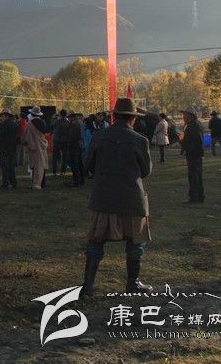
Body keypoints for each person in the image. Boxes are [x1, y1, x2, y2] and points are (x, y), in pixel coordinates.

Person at [81, 98, 152, 296]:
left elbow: (88, 164)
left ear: (114, 116)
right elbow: (145, 171)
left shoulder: (99, 136)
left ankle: (87, 286)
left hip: (104, 197)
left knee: (96, 242)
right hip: (132, 199)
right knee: (136, 243)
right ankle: (132, 283)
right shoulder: (140, 140)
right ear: (133, 118)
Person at [180, 108, 205, 203]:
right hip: (194, 153)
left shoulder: (193, 125)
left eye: (185, 115)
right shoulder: (192, 125)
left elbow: (197, 140)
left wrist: (190, 150)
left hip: (194, 154)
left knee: (194, 176)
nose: (183, 117)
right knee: (196, 175)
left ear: (190, 116)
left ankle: (195, 197)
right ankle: (198, 196)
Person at [21, 106, 48, 189]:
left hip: (34, 146)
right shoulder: (43, 122)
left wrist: (23, 141)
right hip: (42, 145)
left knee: (35, 166)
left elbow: (25, 135)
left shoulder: (30, 124)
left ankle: (36, 183)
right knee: (42, 164)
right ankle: (43, 183)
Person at [0, 110, 18, 189]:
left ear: (6, 116)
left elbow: (1, 136)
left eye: (2, 116)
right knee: (11, 166)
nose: (1, 118)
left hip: (4, 148)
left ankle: (5, 183)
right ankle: (13, 182)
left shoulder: (4, 124)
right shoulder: (14, 124)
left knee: (5, 166)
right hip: (12, 148)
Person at [67, 112, 86, 187]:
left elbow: (72, 136)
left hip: (74, 146)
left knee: (74, 164)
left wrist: (69, 143)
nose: (68, 119)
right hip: (80, 145)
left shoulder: (74, 124)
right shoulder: (81, 122)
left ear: (72, 117)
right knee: (80, 163)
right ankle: (82, 180)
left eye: (69, 118)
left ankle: (76, 181)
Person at [51, 109, 70, 176]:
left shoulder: (57, 121)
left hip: (57, 140)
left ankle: (55, 171)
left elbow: (51, 125)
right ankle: (63, 171)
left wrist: (53, 118)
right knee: (65, 156)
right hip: (65, 141)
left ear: (60, 114)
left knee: (55, 156)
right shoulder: (68, 122)